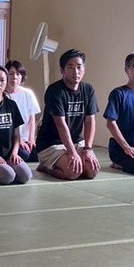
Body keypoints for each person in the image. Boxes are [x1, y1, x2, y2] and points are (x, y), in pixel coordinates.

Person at [33, 48, 100, 181]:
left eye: (79, 67)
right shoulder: (54, 91)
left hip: (76, 141)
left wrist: (88, 148)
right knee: (73, 173)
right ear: (62, 71)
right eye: (70, 67)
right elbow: (61, 125)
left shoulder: (88, 89)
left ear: (84, 69)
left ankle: (69, 160)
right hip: (50, 144)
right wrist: (72, 153)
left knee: (92, 171)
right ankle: (46, 166)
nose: (76, 71)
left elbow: (90, 121)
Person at [5, 60, 41, 162]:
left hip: (26, 138)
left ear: (22, 77)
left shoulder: (27, 93)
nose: (14, 77)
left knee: (38, 154)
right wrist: (19, 140)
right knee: (24, 155)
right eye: (11, 74)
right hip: (12, 140)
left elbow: (32, 120)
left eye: (18, 74)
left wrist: (31, 139)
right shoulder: (3, 96)